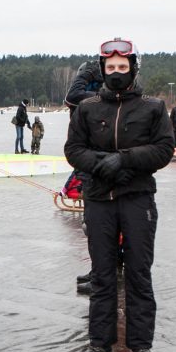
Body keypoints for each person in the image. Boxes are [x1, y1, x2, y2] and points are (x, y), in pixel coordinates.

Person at [65, 38, 175, 352]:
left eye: (122, 68)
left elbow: (164, 149)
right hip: (99, 200)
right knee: (103, 274)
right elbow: (74, 149)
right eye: (110, 68)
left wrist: (126, 161)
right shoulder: (87, 108)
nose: (116, 73)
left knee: (139, 273)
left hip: (137, 198)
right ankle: (100, 343)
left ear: (132, 70)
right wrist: (103, 165)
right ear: (102, 70)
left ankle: (141, 346)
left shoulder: (152, 108)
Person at [64, 63, 105, 295]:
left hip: (96, 163)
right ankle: (98, 270)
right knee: (91, 223)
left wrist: (83, 76)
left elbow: (72, 95)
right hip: (87, 161)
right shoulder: (93, 95)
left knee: (97, 224)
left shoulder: (98, 95)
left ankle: (104, 273)